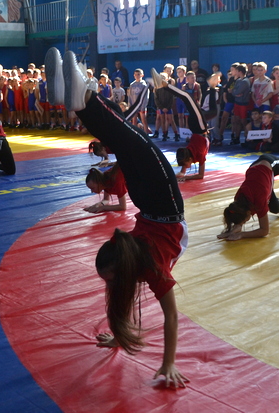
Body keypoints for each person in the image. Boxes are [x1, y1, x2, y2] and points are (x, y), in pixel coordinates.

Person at [45, 49, 189, 388]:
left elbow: (120, 295)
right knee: (128, 139)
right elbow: (171, 316)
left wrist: (116, 335)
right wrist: (169, 364)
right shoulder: (152, 267)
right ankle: (83, 98)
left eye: (109, 279)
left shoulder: (127, 266)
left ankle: (81, 98)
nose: (109, 284)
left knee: (123, 143)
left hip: (146, 204)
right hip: (167, 205)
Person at [219, 150, 279, 240]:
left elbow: (264, 231)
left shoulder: (258, 200)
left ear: (248, 213)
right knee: (274, 208)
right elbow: (242, 215)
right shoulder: (238, 200)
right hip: (260, 180)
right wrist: (232, 231)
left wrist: (242, 234)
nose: (245, 223)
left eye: (244, 222)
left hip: (269, 163)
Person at [151, 69, 210, 182]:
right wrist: (178, 176)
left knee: (187, 97)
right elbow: (189, 172)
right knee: (186, 98)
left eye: (185, 164)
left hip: (198, 127)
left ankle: (164, 85)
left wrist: (185, 177)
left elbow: (199, 176)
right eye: (185, 165)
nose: (186, 166)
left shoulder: (191, 153)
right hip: (200, 128)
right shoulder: (193, 154)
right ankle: (164, 84)